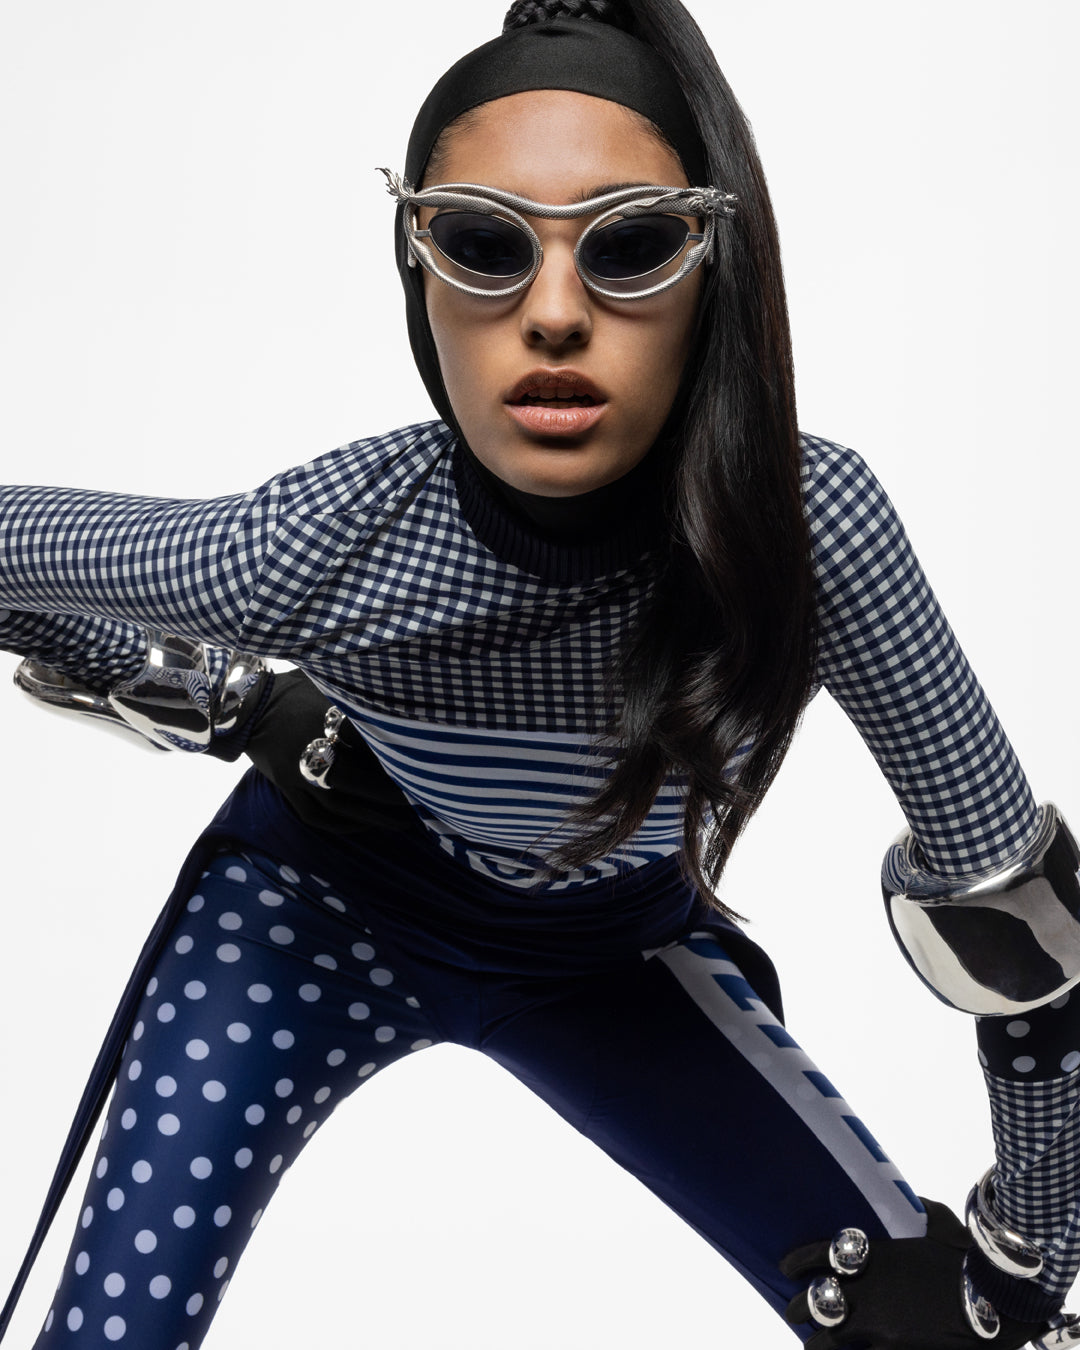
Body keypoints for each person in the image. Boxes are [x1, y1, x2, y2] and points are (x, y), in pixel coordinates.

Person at [0, 1, 1078, 1347]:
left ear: (714, 266)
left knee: (940, 1334)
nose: (555, 314)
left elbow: (1011, 914)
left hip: (611, 957)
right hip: (312, 906)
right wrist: (207, 690)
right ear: (415, 269)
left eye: (629, 245)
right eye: (482, 243)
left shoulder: (812, 534)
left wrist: (1031, 1248)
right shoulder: (316, 541)